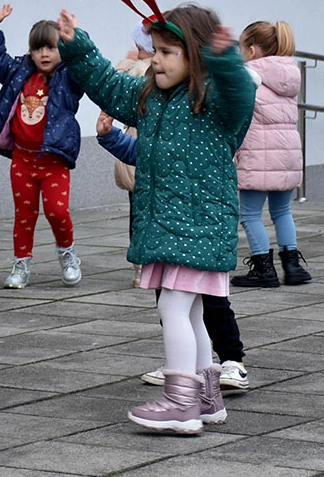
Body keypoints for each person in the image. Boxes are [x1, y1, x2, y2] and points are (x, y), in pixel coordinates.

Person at [58, 0, 256, 434]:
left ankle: (180, 402)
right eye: (156, 50)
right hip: (170, 227)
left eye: (169, 52)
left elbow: (240, 94)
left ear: (196, 56)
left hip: (199, 226)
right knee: (191, 313)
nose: (157, 59)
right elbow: (108, 85)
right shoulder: (151, 97)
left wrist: (224, 59)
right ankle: (206, 399)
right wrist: (78, 47)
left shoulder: (213, 102)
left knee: (172, 309)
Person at [97, 113, 250, 392]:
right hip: (167, 231)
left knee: (190, 305)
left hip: (196, 233)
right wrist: (111, 136)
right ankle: (197, 383)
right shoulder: (164, 121)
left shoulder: (204, 121)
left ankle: (223, 365)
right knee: (184, 310)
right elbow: (144, 153)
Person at [0, 4, 85, 289]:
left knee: (57, 211)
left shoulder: (68, 78)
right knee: (24, 215)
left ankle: (68, 254)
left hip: (53, 161)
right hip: (23, 160)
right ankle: (21, 264)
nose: (44, 54)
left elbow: (84, 68)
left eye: (51, 48)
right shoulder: (19, 73)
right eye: (38, 49)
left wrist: (75, 41)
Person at [230, 21, 310, 287]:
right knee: (282, 211)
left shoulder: (247, 76)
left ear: (252, 50)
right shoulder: (288, 75)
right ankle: (293, 267)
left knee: (250, 214)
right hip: (287, 154)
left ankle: (264, 269)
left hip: (259, 154)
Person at [111, 21, 155, 287]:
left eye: (140, 47)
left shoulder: (139, 72)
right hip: (147, 149)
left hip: (138, 146)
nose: (136, 52)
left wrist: (125, 63)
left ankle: (140, 267)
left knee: (138, 212)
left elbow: (114, 88)